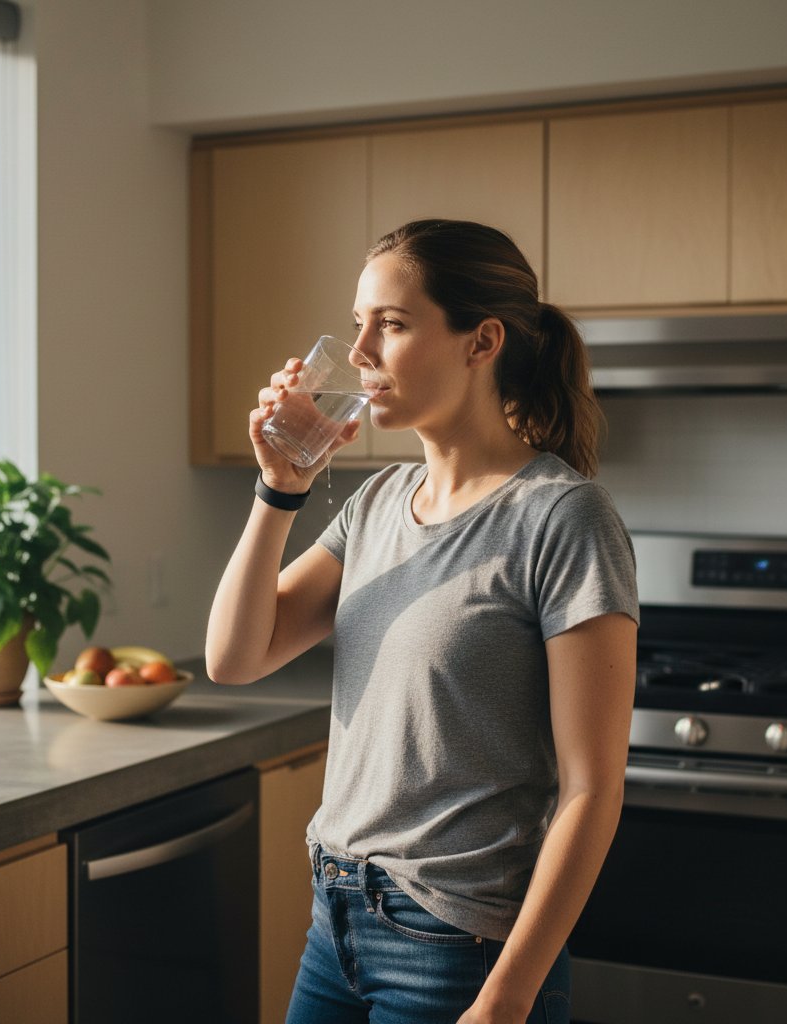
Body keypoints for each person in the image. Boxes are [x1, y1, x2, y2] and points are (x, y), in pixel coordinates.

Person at [206, 219, 639, 1024]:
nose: (359, 350)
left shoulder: (562, 516)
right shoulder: (377, 502)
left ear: (482, 342)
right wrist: (280, 488)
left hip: (460, 949)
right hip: (334, 923)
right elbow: (235, 656)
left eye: (393, 324)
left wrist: (507, 996)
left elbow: (592, 790)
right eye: (358, 322)